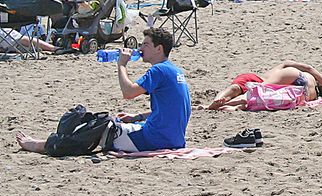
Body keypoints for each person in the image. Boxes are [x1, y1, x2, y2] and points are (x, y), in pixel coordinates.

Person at [17, 28, 191, 153]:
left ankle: (41, 145)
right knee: (113, 123)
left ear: (159, 49)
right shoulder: (174, 71)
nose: (140, 48)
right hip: (173, 138)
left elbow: (128, 93)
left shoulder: (158, 70)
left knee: (98, 127)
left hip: (155, 139)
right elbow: (171, 109)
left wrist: (122, 65)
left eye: (145, 44)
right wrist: (137, 116)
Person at [207, 60, 322, 110]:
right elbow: (308, 69)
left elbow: (308, 67)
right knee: (249, 96)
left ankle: (217, 102)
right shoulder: (314, 91)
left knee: (242, 90)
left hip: (287, 77)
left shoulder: (283, 67)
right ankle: (223, 103)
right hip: (303, 92)